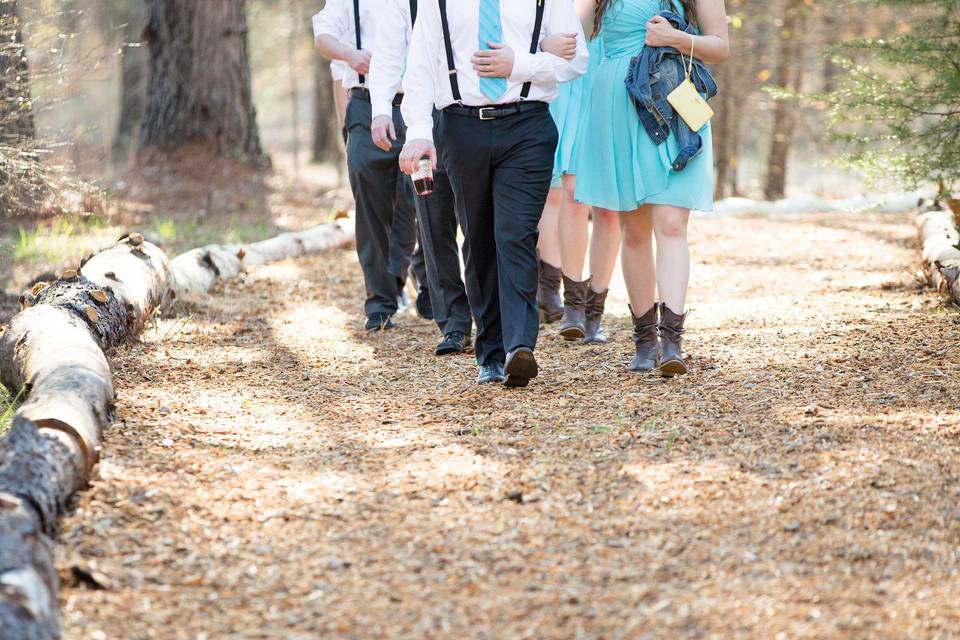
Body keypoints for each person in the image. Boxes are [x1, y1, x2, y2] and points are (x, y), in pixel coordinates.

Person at [400, 0, 588, 387]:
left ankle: (520, 346)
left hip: (528, 126)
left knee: (516, 233)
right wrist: (418, 132)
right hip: (460, 127)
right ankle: (490, 354)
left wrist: (519, 63)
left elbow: (576, 61)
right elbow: (420, 65)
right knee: (480, 238)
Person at [574, 0, 728, 375]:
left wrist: (676, 38)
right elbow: (567, 30)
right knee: (636, 231)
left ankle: (672, 341)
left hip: (676, 96)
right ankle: (644, 341)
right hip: (618, 102)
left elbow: (720, 47)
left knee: (672, 223)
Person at [367, 0, 473, 356]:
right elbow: (387, 51)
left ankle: (487, 312)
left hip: (471, 113)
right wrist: (381, 108)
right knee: (432, 218)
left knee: (476, 220)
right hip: (419, 116)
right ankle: (454, 322)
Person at [313, 0, 425, 332]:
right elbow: (322, 35)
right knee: (368, 195)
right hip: (364, 104)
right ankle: (379, 302)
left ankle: (398, 280)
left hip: (417, 104)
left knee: (412, 198)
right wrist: (349, 53)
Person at [548, 31, 621, 344]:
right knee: (574, 194)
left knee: (610, 210)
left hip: (617, 69)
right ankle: (573, 305)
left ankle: (595, 310)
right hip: (575, 75)